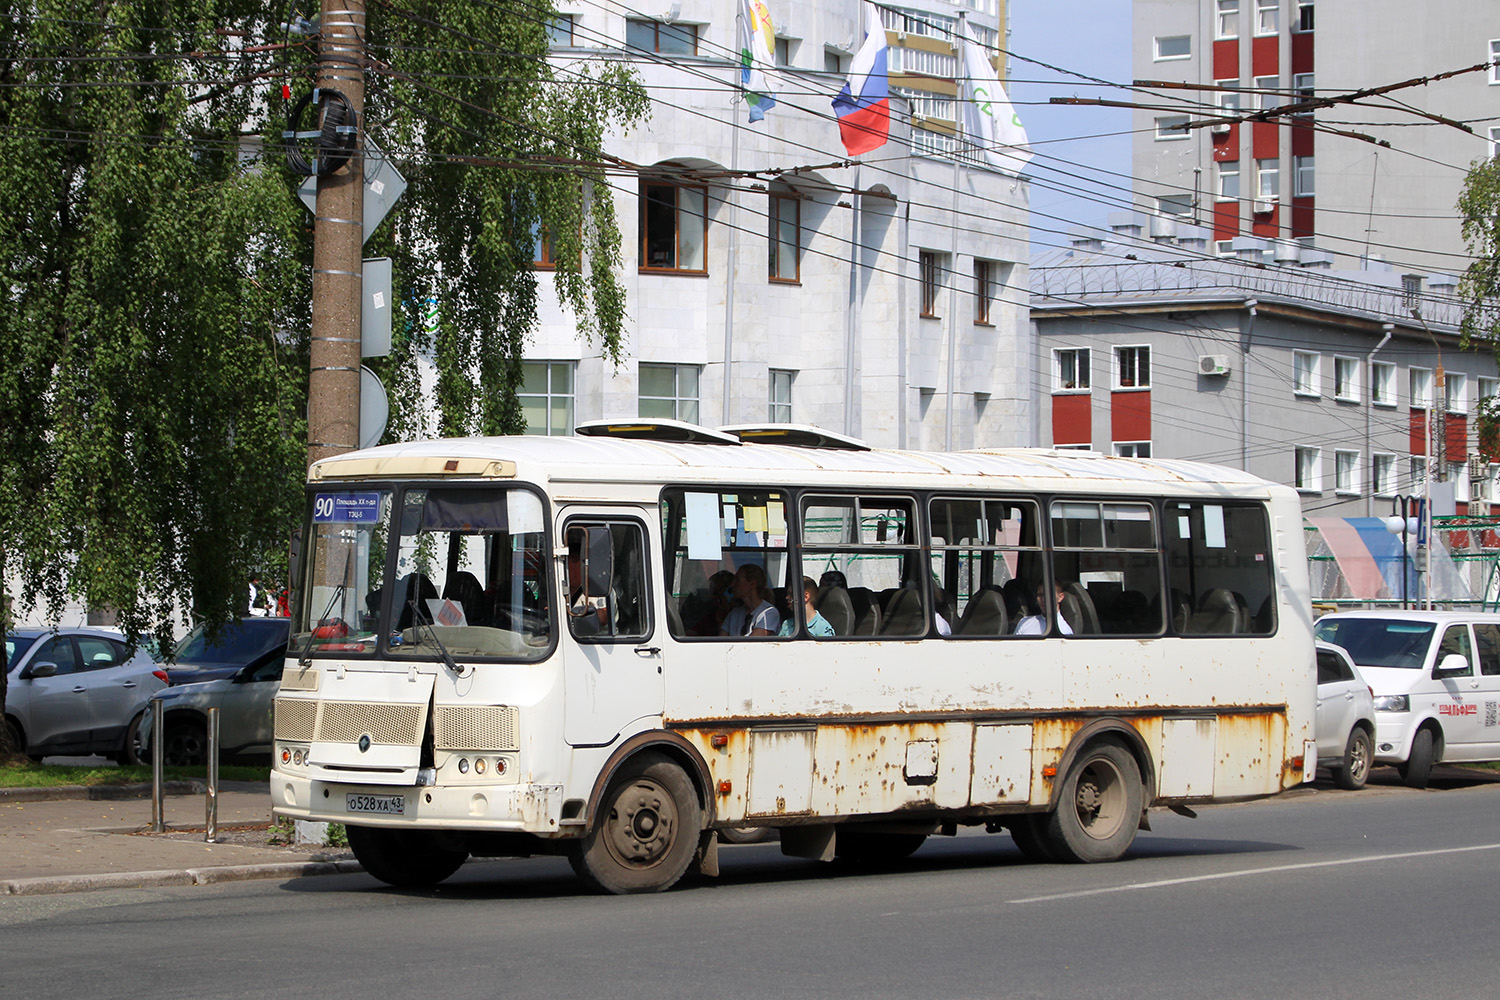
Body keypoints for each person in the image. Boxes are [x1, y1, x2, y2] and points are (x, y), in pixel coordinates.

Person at [721, 564, 780, 637]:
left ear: (752, 584)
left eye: (737, 580)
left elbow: (752, 644)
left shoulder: (768, 613)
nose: (732, 584)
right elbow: (721, 640)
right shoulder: (734, 614)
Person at [690, 570, 737, 636]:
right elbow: (691, 633)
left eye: (715, 592)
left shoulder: (740, 616)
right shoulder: (711, 616)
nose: (713, 597)